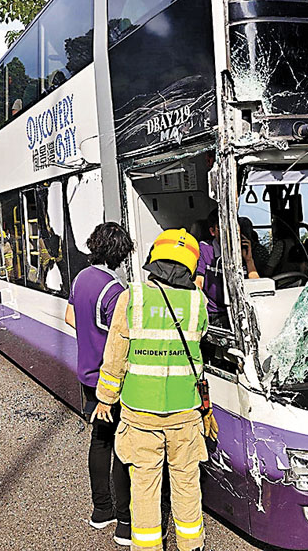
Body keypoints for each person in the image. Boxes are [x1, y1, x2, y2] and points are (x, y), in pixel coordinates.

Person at [95, 228, 215, 551]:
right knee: (187, 483)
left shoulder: (132, 298)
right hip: (185, 413)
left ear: (154, 259)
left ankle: (147, 547)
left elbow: (115, 354)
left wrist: (105, 398)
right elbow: (201, 337)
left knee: (145, 486)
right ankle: (191, 545)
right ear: (190, 265)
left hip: (140, 414)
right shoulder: (197, 302)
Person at [64, 222, 134, 545]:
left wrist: (91, 337)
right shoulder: (115, 290)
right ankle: (124, 523)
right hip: (110, 378)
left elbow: (69, 317)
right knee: (121, 446)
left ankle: (100, 510)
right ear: (120, 253)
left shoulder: (80, 278)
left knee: (100, 440)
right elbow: (121, 337)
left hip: (86, 374)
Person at [195, 212, 265, 328]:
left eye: (234, 227)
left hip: (241, 312)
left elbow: (256, 288)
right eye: (223, 228)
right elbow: (198, 282)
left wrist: (249, 260)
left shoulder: (243, 252)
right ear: (213, 231)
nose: (230, 233)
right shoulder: (205, 249)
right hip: (214, 313)